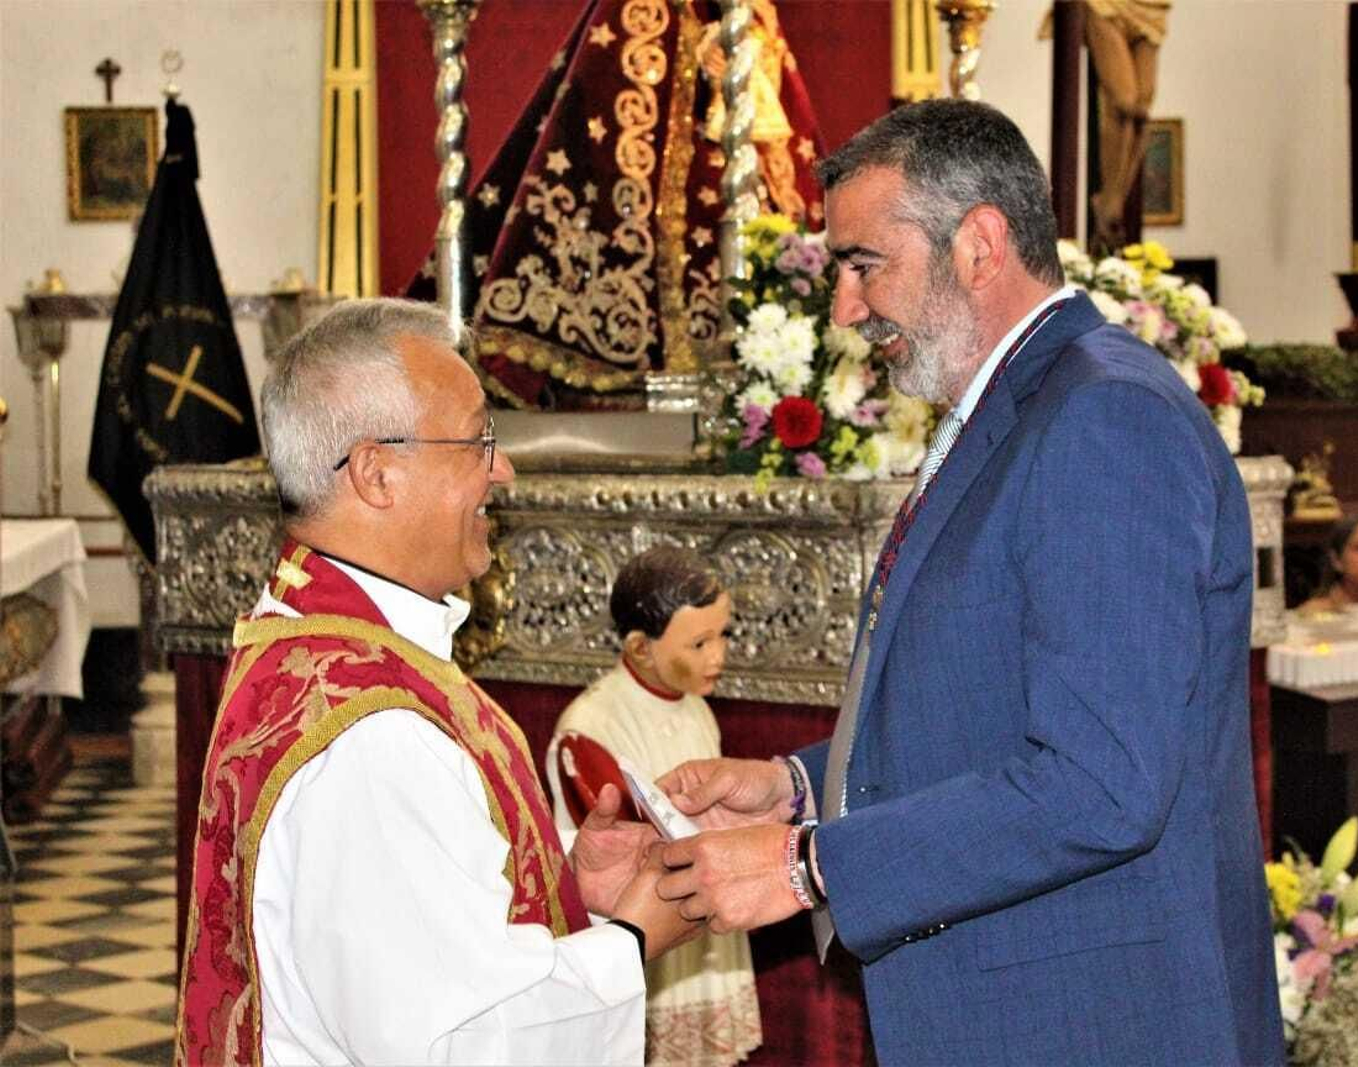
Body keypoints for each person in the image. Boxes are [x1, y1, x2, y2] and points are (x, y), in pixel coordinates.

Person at [655, 99, 1283, 1065]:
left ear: (979, 244)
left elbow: (1103, 780)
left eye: (864, 265)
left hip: (1095, 1024)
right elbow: (989, 707)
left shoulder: (1103, 418)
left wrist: (809, 866)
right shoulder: (1021, 405)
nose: (846, 310)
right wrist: (798, 789)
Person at [177, 298, 698, 1065]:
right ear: (377, 473)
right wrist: (632, 938)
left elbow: (404, 926)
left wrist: (566, 877)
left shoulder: (316, 638)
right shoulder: (372, 736)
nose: (502, 468)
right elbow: (459, 1040)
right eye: (477, 440)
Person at [548, 547, 762, 1066]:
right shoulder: (593, 727)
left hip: (703, 908)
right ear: (641, 648)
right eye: (700, 643)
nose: (719, 656)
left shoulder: (696, 707)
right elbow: (616, 846)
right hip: (650, 926)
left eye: (723, 635)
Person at [1084, 0, 1170, 251]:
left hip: (1151, 6)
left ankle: (1114, 200)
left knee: (1142, 111)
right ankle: (1109, 202)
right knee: (1125, 102)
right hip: (1106, 5)